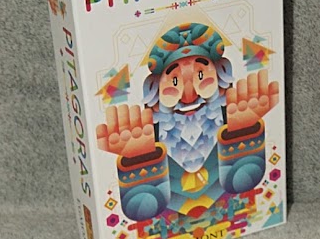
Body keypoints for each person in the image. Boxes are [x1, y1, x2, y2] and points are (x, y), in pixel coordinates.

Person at [96, 22, 279, 222]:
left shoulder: (230, 114)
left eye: (201, 75)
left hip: (231, 207)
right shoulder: (150, 133)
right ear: (154, 89)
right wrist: (138, 159)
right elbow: (140, 208)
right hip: (166, 219)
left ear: (220, 75)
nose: (189, 97)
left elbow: (246, 178)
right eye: (174, 81)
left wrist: (244, 131)